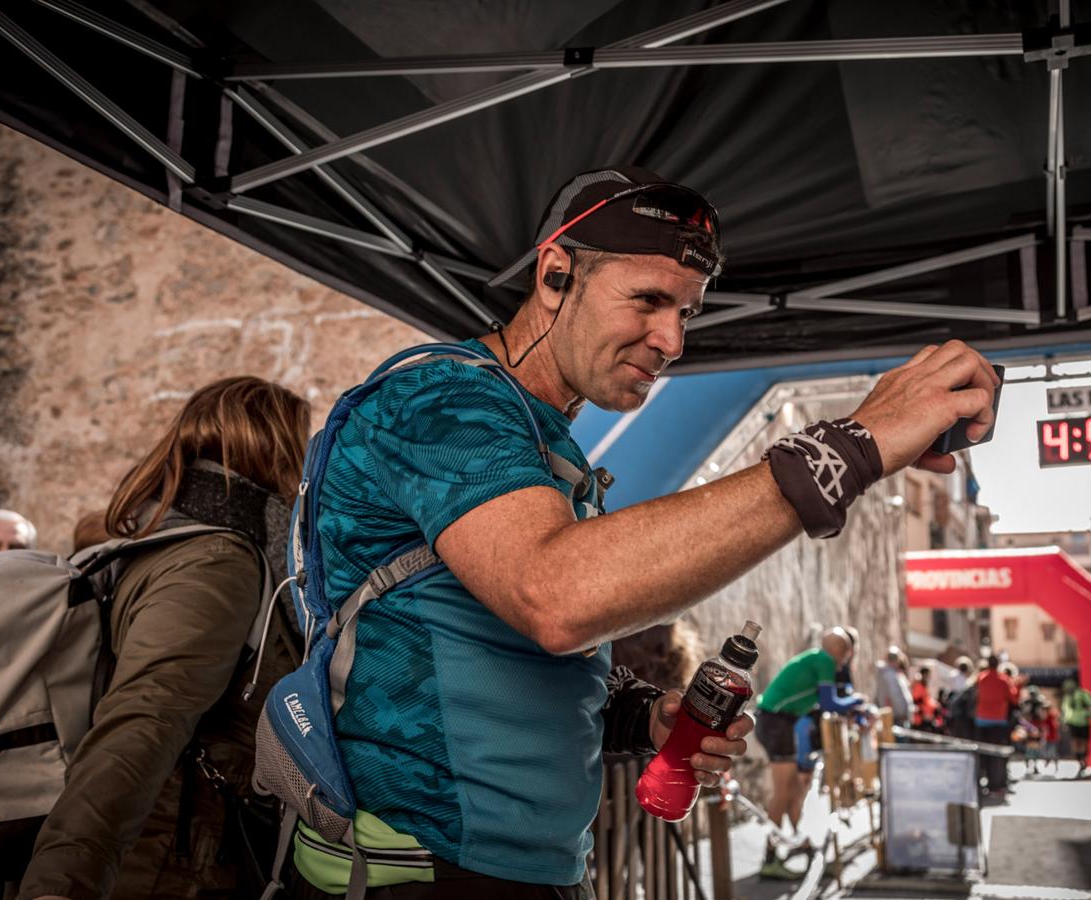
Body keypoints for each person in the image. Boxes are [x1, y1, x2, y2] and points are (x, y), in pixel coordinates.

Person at [298, 164, 1000, 896]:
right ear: (555, 276)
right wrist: (846, 450)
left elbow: (474, 648)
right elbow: (555, 596)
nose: (671, 340)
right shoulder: (440, 396)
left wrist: (639, 716)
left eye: (688, 313)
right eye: (648, 300)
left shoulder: (547, 446)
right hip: (411, 867)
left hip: (520, 868)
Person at [17, 376, 310, 899]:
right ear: (277, 450)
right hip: (165, 861)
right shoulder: (216, 562)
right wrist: (62, 885)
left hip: (173, 849)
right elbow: (143, 720)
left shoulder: (159, 538)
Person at [754, 628, 863, 879]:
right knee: (783, 792)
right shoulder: (825, 660)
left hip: (779, 722)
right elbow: (829, 703)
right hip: (776, 723)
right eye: (846, 652)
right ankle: (769, 858)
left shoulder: (816, 658)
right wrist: (857, 702)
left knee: (792, 788)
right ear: (841, 652)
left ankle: (801, 842)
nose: (846, 658)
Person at [974, 655, 1019, 795]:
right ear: (998, 664)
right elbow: (1014, 698)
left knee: (983, 753)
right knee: (997, 754)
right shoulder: (1003, 680)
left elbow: (976, 696)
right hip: (998, 721)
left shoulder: (981, 678)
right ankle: (996, 784)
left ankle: (984, 781)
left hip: (981, 720)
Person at [1060, 677, 1091, 777]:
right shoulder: (1067, 697)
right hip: (1073, 724)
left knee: (1083, 743)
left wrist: (1088, 714)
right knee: (1076, 743)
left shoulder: (1083, 694)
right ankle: (1080, 762)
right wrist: (1065, 721)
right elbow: (1065, 710)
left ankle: (1084, 762)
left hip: (1083, 723)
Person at [875, 646, 914, 727]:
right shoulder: (890, 675)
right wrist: (902, 713)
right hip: (895, 718)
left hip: (894, 716)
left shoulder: (889, 674)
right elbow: (895, 696)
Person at [911, 666, 938, 731]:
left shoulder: (924, 686)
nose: (929, 677)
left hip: (926, 718)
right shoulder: (918, 686)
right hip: (920, 720)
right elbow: (916, 702)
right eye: (928, 675)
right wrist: (923, 714)